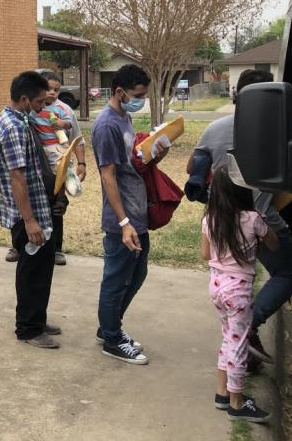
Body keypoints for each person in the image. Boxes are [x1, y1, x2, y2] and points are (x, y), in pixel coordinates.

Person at [187, 69, 292, 367]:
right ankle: (249, 324)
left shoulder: (214, 128)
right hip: (261, 220)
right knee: (289, 274)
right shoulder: (286, 128)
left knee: (231, 280)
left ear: (238, 95)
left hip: (220, 221)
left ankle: (239, 342)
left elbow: (193, 167)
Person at [93, 64, 168, 365]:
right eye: (138, 95)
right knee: (116, 279)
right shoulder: (107, 125)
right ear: (120, 92)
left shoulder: (124, 118)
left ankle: (110, 326)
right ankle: (111, 339)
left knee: (137, 274)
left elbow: (128, 165)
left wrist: (153, 155)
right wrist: (123, 223)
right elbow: (108, 176)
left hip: (137, 213)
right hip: (121, 220)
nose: (141, 100)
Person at [200, 166, 278, 424]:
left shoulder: (210, 218)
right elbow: (274, 244)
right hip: (238, 292)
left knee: (228, 339)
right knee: (239, 345)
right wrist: (266, 224)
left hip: (216, 287)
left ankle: (222, 393)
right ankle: (237, 402)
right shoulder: (252, 219)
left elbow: (205, 254)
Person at [0, 71, 62, 348]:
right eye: (39, 103)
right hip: (27, 214)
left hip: (38, 208)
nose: (43, 108)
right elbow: (17, 177)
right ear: (24, 99)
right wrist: (30, 221)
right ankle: (29, 329)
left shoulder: (20, 118)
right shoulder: (14, 128)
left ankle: (37, 318)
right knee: (32, 270)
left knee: (42, 267)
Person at [5, 70, 87, 266]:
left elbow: (77, 137)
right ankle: (18, 245)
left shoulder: (64, 110)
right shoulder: (26, 114)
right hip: (34, 166)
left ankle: (55, 248)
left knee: (55, 204)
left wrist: (82, 163)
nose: (50, 94)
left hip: (55, 158)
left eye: (55, 90)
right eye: (47, 90)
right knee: (23, 203)